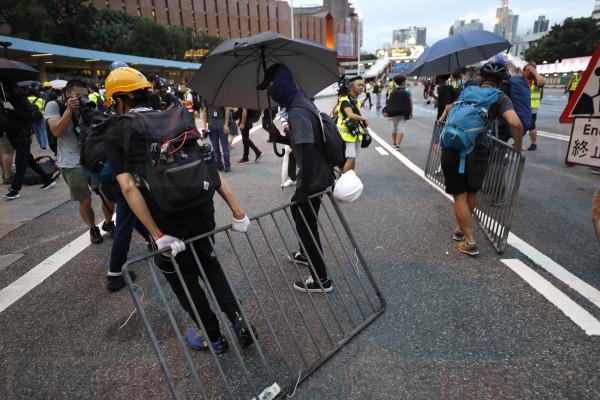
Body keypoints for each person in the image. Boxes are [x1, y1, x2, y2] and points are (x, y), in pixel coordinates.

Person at [103, 66, 256, 353]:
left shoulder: (118, 130)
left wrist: (157, 234)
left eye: (112, 101)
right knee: (209, 264)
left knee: (183, 278)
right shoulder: (178, 116)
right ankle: (239, 322)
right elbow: (209, 164)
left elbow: (127, 187)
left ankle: (213, 337)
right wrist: (237, 210)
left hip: (165, 216)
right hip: (201, 208)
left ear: (120, 99)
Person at [257, 63, 335, 293]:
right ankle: (304, 255)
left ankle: (321, 279)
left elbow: (308, 149)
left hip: (313, 178)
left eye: (271, 85)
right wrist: (279, 139)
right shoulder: (301, 103)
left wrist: (302, 191)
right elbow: (302, 143)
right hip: (319, 175)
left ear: (281, 82)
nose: (269, 91)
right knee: (307, 222)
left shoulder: (298, 110)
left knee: (305, 223)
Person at [439, 62, 523, 256]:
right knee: (471, 191)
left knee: (459, 195)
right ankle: (464, 233)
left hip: (453, 147)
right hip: (479, 151)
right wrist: (517, 146)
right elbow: (515, 123)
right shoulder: (501, 97)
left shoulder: (467, 91)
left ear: (481, 78)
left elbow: (452, 110)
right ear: (501, 82)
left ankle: (468, 239)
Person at [45, 79, 114, 244]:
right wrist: (69, 111)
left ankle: (108, 222)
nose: (82, 98)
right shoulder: (54, 106)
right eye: (78, 95)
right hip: (70, 160)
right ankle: (92, 228)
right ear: (68, 93)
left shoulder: (88, 105)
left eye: (85, 95)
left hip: (93, 157)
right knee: (85, 199)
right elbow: (56, 131)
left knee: (108, 194)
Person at [2, 79, 55, 200]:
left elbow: (28, 116)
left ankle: (15, 189)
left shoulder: (18, 97)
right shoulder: (5, 98)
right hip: (13, 134)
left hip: (23, 134)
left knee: (21, 162)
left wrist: (12, 109)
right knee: (28, 159)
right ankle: (48, 179)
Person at [337, 76, 368, 173]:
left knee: (352, 158)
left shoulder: (355, 101)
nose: (361, 87)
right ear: (351, 87)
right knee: (351, 157)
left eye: (362, 85)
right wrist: (363, 118)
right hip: (346, 134)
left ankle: (350, 177)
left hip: (355, 133)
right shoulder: (345, 100)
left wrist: (364, 128)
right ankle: (344, 180)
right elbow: (350, 115)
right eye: (359, 85)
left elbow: (356, 116)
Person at [202, 102, 232, 172]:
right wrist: (205, 127)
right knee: (218, 147)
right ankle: (221, 165)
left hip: (219, 124)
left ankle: (225, 165)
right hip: (213, 125)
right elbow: (204, 111)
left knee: (221, 147)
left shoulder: (208, 94)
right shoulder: (208, 95)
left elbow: (227, 109)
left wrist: (226, 124)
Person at [385, 75, 412, 149]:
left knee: (394, 127)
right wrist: (411, 112)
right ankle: (398, 144)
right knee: (401, 127)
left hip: (393, 112)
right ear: (403, 82)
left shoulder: (392, 90)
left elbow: (389, 101)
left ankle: (394, 142)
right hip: (404, 111)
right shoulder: (407, 90)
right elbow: (410, 102)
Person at [524, 63, 545, 151]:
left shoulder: (536, 80)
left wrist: (534, 72)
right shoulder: (522, 79)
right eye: (527, 70)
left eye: (531, 70)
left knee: (531, 126)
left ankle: (533, 144)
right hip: (522, 105)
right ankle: (518, 143)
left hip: (532, 107)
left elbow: (541, 82)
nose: (529, 72)